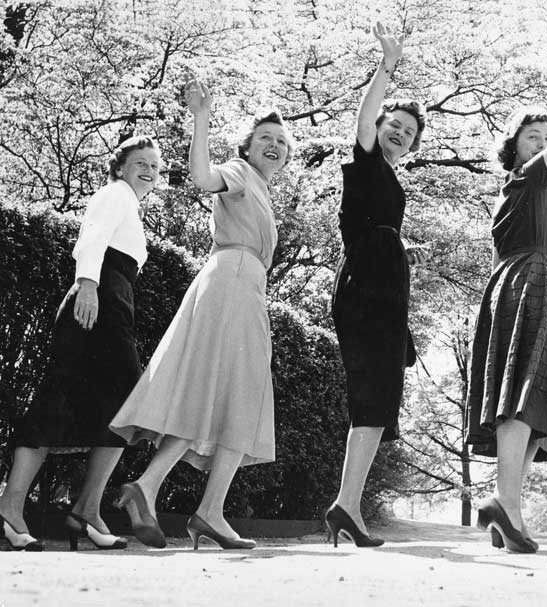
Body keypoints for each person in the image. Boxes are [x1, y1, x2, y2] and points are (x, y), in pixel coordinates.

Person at [110, 78, 294, 550]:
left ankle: (165, 493)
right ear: (248, 148)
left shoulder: (263, 192)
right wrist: (201, 117)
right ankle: (197, 506)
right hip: (231, 279)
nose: (274, 146)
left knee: (227, 396)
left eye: (282, 143)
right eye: (265, 139)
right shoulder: (238, 172)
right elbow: (201, 177)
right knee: (233, 391)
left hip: (245, 287)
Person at [0, 135, 161, 551]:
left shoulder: (131, 205)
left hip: (114, 309)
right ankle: (11, 508)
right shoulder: (114, 193)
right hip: (94, 304)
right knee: (62, 402)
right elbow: (92, 239)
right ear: (120, 167)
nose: (149, 170)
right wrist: (86, 284)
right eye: (140, 162)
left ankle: (86, 510)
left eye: (155, 166)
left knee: (119, 410)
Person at [465, 36, 547, 553]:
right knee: (524, 395)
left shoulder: (526, 188)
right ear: (514, 146)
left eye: (544, 136)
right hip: (530, 281)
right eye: (532, 136)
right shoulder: (532, 180)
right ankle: (504, 503)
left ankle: (506, 511)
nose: (543, 142)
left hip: (531, 282)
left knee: (540, 401)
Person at [326, 21, 426, 548]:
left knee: (379, 400)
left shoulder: (391, 177)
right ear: (381, 124)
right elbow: (364, 117)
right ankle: (346, 507)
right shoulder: (365, 163)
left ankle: (347, 505)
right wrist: (387, 67)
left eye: (409, 133)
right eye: (395, 125)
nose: (399, 133)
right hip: (365, 287)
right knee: (372, 396)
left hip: (385, 295)